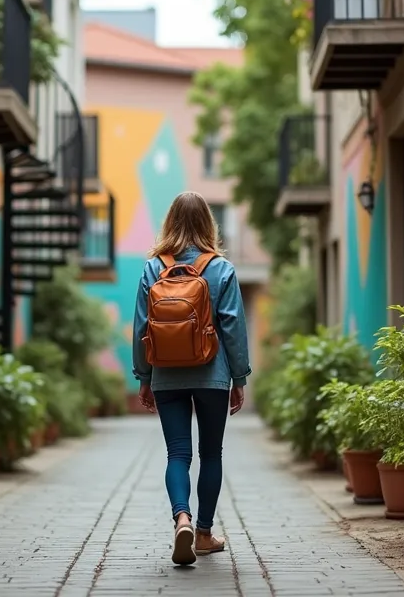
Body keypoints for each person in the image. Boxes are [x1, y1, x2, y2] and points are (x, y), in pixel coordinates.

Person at [132, 191, 250, 567]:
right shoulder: (221, 268)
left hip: (166, 374)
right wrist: (239, 378)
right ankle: (203, 533)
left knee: (177, 454)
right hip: (212, 373)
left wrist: (144, 377)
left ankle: (181, 518)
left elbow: (141, 328)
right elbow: (232, 327)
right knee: (210, 453)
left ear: (169, 222)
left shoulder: (153, 268)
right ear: (208, 224)